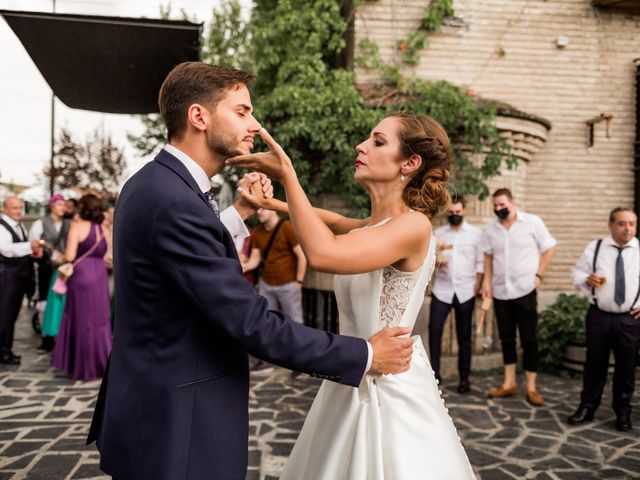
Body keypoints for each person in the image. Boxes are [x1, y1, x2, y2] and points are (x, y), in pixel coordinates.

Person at [87, 62, 412, 480]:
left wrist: (242, 211)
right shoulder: (173, 201)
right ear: (199, 117)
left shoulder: (155, 184)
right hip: (179, 423)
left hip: (156, 401)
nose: (254, 124)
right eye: (242, 111)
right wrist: (365, 354)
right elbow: (251, 323)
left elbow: (189, 254)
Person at [229, 111, 476, 478]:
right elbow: (335, 222)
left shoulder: (413, 226)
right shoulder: (374, 225)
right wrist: (273, 205)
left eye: (377, 141)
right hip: (353, 370)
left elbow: (324, 253)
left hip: (387, 388)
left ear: (409, 163)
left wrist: (288, 175)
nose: (361, 146)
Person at [568, 207, 640, 432]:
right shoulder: (596, 247)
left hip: (629, 319)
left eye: (631, 224)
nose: (627, 228)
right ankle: (587, 407)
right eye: (622, 223)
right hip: (599, 316)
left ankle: (623, 412)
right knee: (594, 364)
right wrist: (586, 279)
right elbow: (576, 274)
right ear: (611, 226)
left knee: (626, 368)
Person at [481, 188, 556, 406]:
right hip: (501, 291)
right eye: (495, 206)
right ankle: (509, 383)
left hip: (525, 290)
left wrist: (539, 274)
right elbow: (487, 258)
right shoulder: (490, 229)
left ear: (512, 202)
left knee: (529, 339)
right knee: (506, 339)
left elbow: (549, 247)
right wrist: (486, 283)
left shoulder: (533, 222)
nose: (498, 209)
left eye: (502, 205)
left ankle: (531, 388)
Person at [51, 194, 112, 381]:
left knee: (79, 320)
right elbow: (107, 257)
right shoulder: (104, 230)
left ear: (82, 209)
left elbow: (69, 256)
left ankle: (78, 367)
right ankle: (102, 364)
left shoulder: (76, 227)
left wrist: (57, 256)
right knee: (99, 321)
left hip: (81, 276)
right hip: (100, 276)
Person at [429, 195, 483, 393]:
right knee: (435, 333)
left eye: (458, 212)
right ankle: (435, 376)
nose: (454, 215)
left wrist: (477, 287)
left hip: (465, 290)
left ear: (464, 211)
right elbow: (428, 260)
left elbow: (479, 262)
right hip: (441, 290)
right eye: (451, 213)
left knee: (464, 337)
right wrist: (436, 259)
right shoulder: (438, 233)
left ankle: (464, 378)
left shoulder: (476, 235)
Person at [241, 208, 307, 374]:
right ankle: (268, 361)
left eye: (263, 209)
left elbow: (301, 255)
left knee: (295, 323)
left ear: (273, 210)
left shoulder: (287, 228)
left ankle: (300, 362)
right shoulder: (258, 232)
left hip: (288, 284)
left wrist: (299, 280)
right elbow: (254, 260)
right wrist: (241, 267)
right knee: (267, 322)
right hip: (267, 284)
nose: (259, 212)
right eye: (258, 209)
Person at [0, 196, 42, 364]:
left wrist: (32, 252)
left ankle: (6, 349)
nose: (19, 211)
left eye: (20, 208)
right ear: (5, 208)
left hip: (19, 279)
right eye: (15, 208)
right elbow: (6, 250)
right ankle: (3, 351)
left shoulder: (20, 225)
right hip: (6, 280)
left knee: (12, 316)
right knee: (4, 316)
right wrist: (29, 246)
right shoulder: (2, 227)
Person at [28, 193, 70, 352]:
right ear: (52, 205)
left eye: (64, 205)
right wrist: (45, 252)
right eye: (60, 204)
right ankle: (46, 338)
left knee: (60, 301)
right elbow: (34, 244)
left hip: (64, 267)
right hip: (46, 267)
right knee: (44, 302)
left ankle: (60, 335)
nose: (63, 208)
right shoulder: (40, 223)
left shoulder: (69, 223)